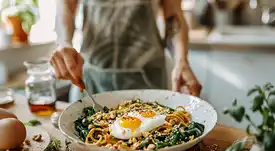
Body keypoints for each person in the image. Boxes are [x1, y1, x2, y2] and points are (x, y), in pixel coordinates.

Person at [51, 0, 202, 102]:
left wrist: (181, 60)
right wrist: (64, 42)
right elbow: (66, 6)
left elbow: (173, 13)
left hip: (147, 79)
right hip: (91, 79)